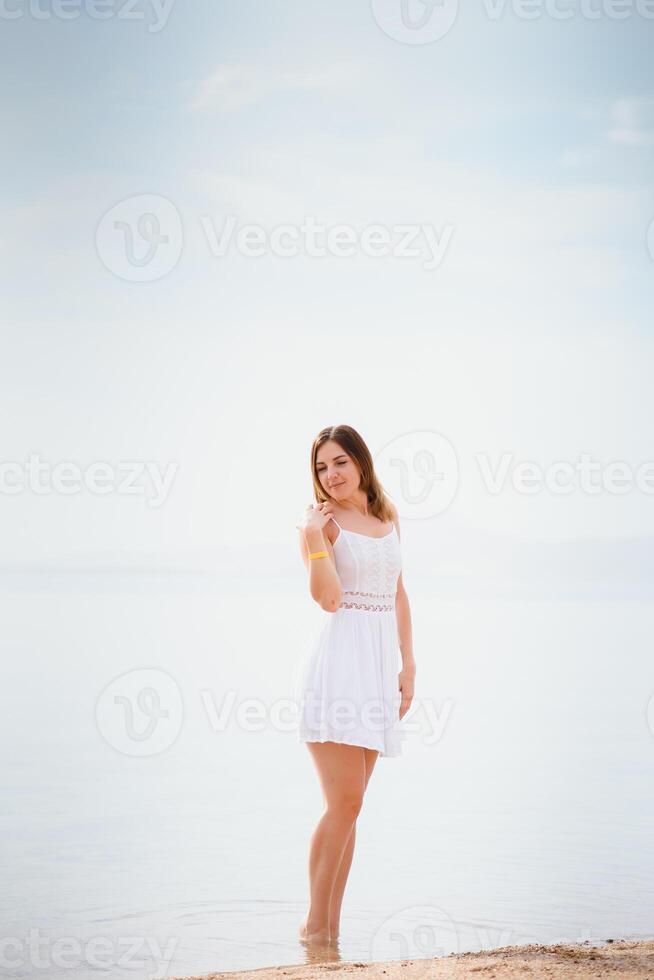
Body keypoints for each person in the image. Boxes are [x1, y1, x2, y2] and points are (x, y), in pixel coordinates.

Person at [293, 424, 416, 947]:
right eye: (321, 467)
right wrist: (314, 541)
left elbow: (398, 593)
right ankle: (313, 929)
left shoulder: (385, 518)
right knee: (341, 804)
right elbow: (327, 599)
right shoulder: (320, 526)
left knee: (354, 806)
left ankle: (331, 931)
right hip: (339, 666)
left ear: (361, 463)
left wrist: (408, 666)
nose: (331, 475)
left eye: (339, 462)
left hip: (376, 669)